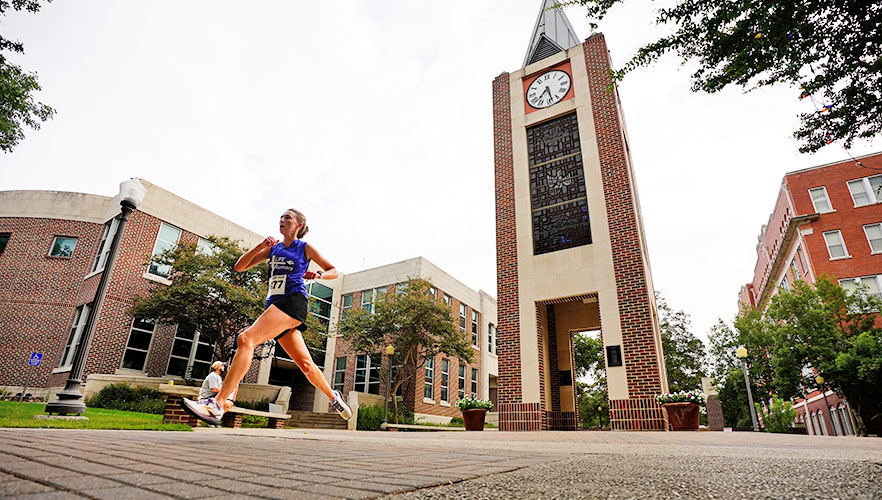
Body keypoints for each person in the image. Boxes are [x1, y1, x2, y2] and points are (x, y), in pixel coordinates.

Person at [183, 209, 352, 425]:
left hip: (292, 300)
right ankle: (333, 397)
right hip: (275, 305)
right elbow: (240, 266)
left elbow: (333, 270)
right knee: (306, 365)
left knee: (246, 339)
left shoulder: (304, 248)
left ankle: (219, 403)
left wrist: (318, 275)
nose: (282, 220)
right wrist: (261, 247)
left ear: (299, 225)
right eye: (281, 217)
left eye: (287, 218)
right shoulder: (274, 249)